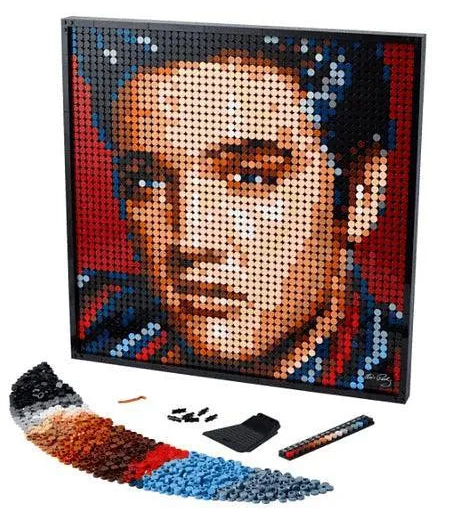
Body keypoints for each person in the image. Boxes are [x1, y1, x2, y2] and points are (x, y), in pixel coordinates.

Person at [75, 30, 406, 394]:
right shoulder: (89, 318)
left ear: (361, 195)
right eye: (146, 181)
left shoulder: (404, 374)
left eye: (251, 176)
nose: (192, 239)